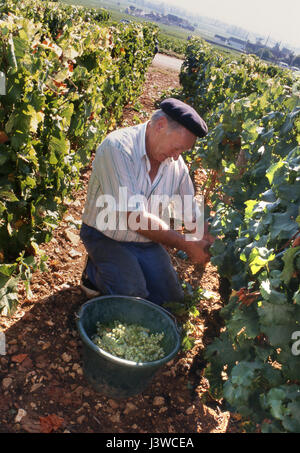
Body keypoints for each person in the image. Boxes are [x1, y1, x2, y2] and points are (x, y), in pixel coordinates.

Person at [79, 98, 214, 305]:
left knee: (171, 300)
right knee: (133, 295)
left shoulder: (174, 163)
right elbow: (134, 218)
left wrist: (204, 235)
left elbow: (189, 209)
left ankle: (122, 268)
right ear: (160, 126)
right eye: (177, 148)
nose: (178, 156)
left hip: (146, 241)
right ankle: (94, 270)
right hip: (105, 235)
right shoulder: (118, 148)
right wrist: (186, 244)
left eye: (183, 152)